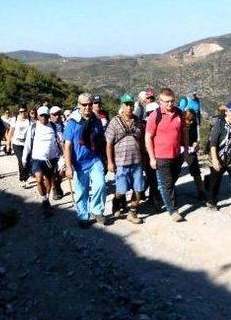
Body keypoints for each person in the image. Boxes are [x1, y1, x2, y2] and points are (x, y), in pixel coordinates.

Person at [64, 93, 108, 229]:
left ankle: (96, 210)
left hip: (94, 159)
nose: (87, 107)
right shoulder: (72, 122)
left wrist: (106, 158)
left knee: (100, 185)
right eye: (84, 105)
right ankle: (83, 216)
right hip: (79, 163)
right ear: (78, 105)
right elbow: (67, 145)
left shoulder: (96, 120)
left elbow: (102, 139)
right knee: (81, 191)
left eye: (89, 104)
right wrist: (68, 166)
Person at [145, 87, 188, 222]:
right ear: (160, 101)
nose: (169, 104)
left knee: (172, 179)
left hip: (176, 155)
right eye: (166, 101)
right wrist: (152, 158)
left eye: (172, 101)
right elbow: (148, 138)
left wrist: (186, 150)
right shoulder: (155, 116)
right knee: (167, 184)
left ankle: (156, 195)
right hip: (161, 156)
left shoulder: (179, 113)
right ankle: (172, 210)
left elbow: (184, 132)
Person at [105, 94, 145, 225]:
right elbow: (109, 143)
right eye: (126, 104)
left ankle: (132, 212)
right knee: (121, 190)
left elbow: (141, 139)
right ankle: (116, 202)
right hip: (121, 163)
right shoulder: (115, 122)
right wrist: (110, 162)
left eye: (131, 104)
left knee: (138, 189)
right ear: (122, 106)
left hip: (137, 161)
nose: (129, 107)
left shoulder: (138, 121)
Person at [22, 106, 63, 217]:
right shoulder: (33, 127)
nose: (44, 118)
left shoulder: (54, 127)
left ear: (49, 116)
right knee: (39, 179)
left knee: (49, 181)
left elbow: (60, 142)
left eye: (45, 115)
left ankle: (46, 199)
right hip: (37, 158)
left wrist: (64, 154)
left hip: (51, 159)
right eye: (41, 115)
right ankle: (44, 199)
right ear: (38, 116)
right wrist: (24, 158)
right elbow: (28, 144)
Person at [184, 110, 206, 201]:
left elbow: (195, 138)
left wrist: (195, 143)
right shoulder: (178, 125)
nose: (191, 122)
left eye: (193, 120)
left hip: (190, 150)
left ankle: (201, 191)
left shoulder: (193, 125)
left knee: (196, 171)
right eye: (189, 119)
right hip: (179, 149)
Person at [8, 104, 32, 185]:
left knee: (27, 161)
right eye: (21, 112)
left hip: (26, 144)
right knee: (21, 160)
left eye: (24, 111)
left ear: (26, 111)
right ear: (19, 112)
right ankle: (23, 179)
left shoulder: (29, 119)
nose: (23, 113)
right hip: (17, 143)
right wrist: (8, 144)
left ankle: (25, 175)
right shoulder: (15, 119)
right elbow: (10, 132)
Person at [49, 105, 66, 200]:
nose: (57, 116)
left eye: (59, 114)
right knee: (53, 173)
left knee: (62, 172)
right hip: (51, 153)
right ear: (50, 115)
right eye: (55, 114)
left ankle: (57, 185)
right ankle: (55, 188)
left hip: (61, 153)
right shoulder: (48, 126)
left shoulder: (64, 125)